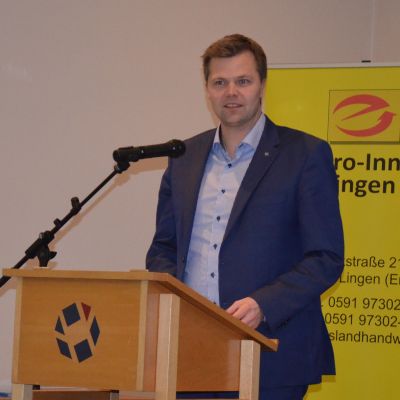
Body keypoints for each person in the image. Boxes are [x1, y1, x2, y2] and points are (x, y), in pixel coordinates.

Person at [146, 34, 344, 400]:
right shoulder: (183, 157)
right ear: (207, 90)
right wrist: (178, 300)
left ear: (262, 85)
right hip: (190, 350)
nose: (231, 92)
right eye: (220, 82)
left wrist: (264, 304)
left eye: (243, 81)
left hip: (272, 351)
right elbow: (163, 247)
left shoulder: (305, 155)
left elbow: (325, 257)